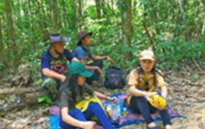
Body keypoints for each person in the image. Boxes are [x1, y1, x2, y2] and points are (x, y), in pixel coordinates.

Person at [60, 61, 117, 129]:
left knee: (94, 105)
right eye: (83, 76)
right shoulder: (65, 92)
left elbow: (94, 93)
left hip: (80, 114)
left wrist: (108, 98)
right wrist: (83, 124)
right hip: (68, 122)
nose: (85, 78)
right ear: (75, 77)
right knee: (76, 112)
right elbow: (65, 117)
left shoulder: (81, 84)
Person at [124, 49, 172, 129]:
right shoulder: (135, 72)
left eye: (150, 62)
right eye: (144, 61)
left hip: (151, 103)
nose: (147, 65)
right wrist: (146, 94)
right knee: (140, 93)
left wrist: (163, 99)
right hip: (136, 104)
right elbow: (132, 90)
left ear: (153, 62)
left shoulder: (156, 73)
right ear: (140, 62)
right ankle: (150, 123)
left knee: (159, 97)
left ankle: (167, 124)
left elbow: (163, 87)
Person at [41, 33, 78, 99]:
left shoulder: (65, 52)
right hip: (53, 78)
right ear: (53, 46)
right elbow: (45, 71)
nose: (63, 47)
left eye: (63, 45)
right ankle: (56, 97)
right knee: (49, 82)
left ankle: (75, 94)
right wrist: (60, 77)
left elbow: (75, 61)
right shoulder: (46, 55)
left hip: (64, 76)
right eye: (60, 45)